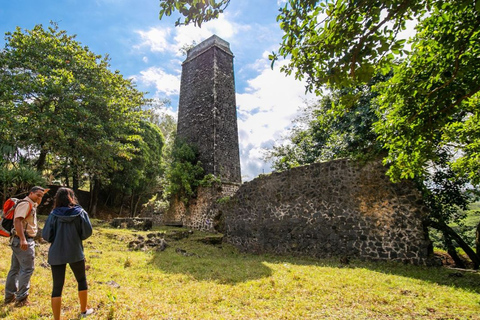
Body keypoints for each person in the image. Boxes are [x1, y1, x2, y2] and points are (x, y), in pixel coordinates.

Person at [42, 187, 94, 319]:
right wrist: (76, 237)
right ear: (72, 197)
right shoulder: (80, 212)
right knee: (81, 280)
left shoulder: (53, 214)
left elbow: (46, 235)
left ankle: (57, 318)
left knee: (57, 287)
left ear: (57, 199)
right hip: (75, 251)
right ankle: (83, 310)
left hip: (56, 253)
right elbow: (87, 232)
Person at [4, 186, 47, 307]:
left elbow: (35, 203)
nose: (40, 198)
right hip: (23, 241)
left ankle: (9, 296)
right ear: (31, 193)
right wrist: (23, 239)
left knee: (15, 269)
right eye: (38, 195)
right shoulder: (25, 204)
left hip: (19, 240)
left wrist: (41, 194)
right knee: (27, 269)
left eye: (41, 196)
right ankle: (21, 298)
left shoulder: (31, 204)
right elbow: (18, 221)